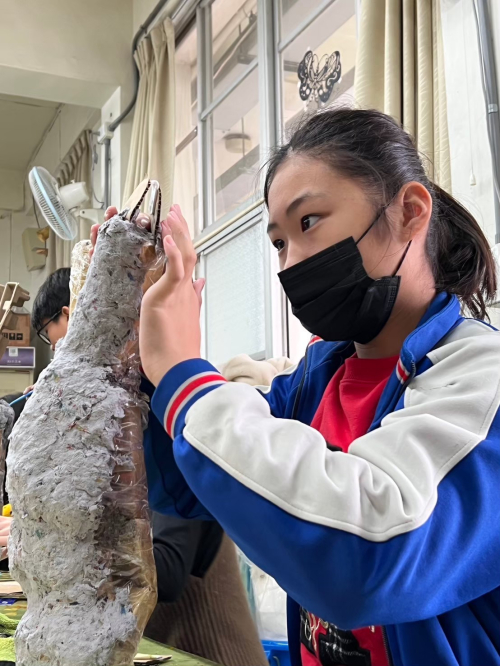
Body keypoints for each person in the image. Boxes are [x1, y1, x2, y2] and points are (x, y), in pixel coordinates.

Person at [137, 108, 500, 666]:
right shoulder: (314, 380)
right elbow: (186, 486)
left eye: (309, 222)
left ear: (409, 211)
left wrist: (185, 376)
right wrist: (138, 364)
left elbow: (369, 558)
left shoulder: (481, 377)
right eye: (279, 242)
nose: (293, 262)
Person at [14, 265, 268, 666]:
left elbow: (168, 570)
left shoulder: (168, 420)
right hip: (154, 645)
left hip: (205, 650)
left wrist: (65, 544)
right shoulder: (113, 426)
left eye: (50, 333)